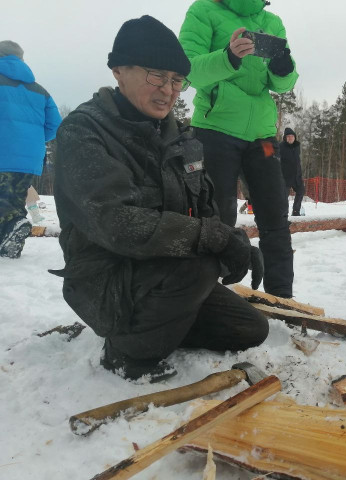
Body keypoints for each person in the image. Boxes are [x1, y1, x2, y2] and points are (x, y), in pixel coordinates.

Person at [52, 16, 267, 383]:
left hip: (164, 273)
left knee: (249, 329)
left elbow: (205, 212)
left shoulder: (183, 141)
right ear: (119, 71)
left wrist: (231, 241)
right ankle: (127, 354)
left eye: (176, 80)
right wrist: (209, 240)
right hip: (108, 281)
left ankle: (162, 325)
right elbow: (117, 224)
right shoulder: (84, 133)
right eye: (156, 75)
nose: (168, 90)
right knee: (199, 268)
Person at [179, 0, 298, 298]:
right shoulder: (203, 11)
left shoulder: (272, 21)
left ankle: (282, 297)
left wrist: (284, 69)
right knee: (216, 216)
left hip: (263, 137)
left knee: (275, 214)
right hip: (215, 130)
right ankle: (207, 295)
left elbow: (281, 83)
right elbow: (185, 70)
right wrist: (228, 57)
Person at [0, 40, 61, 258]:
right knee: (14, 198)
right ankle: (12, 234)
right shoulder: (40, 91)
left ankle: (15, 225)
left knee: (4, 199)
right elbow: (55, 125)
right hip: (29, 159)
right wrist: (31, 141)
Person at [280, 127, 305, 216]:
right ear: (285, 138)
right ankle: (284, 214)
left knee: (301, 191)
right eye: (288, 136)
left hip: (296, 177)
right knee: (284, 197)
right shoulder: (281, 147)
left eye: (292, 136)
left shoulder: (297, 146)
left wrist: (299, 174)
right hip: (285, 177)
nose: (290, 138)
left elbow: (297, 162)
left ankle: (296, 211)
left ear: (294, 137)